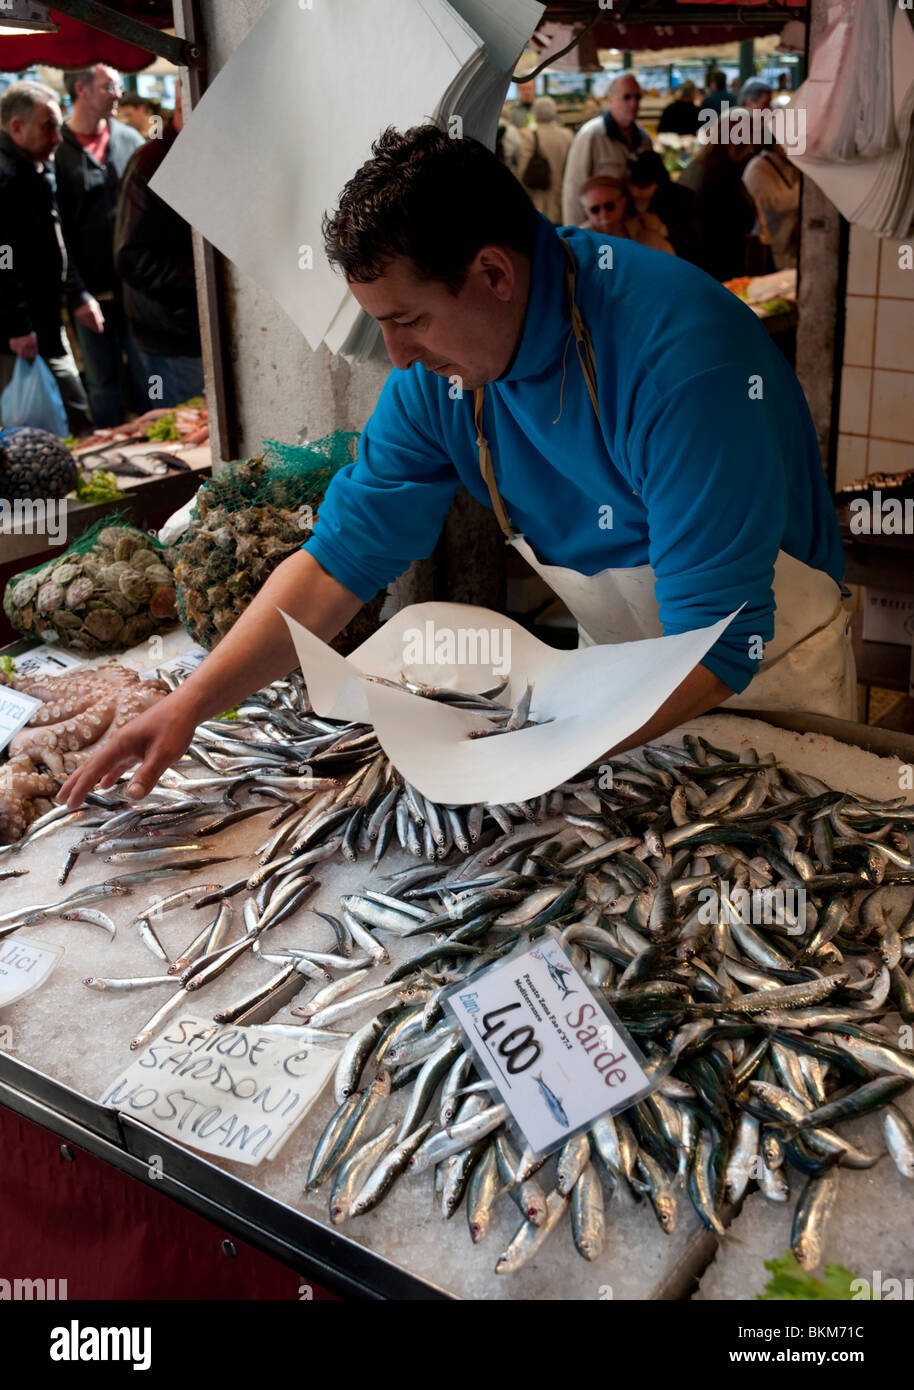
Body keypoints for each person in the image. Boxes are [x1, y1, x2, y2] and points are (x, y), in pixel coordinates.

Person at [57, 124, 853, 811]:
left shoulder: (680, 364)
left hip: (766, 677)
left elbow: (718, 645)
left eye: (408, 320)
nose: (396, 356)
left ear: (495, 274)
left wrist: (527, 761)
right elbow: (336, 562)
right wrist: (193, 703)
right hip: (618, 685)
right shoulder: (438, 381)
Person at [0, 81, 96, 435]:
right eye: (48, 127)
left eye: (58, 125)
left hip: (46, 321)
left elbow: (56, 241)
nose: (58, 137)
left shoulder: (38, 168)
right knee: (31, 431)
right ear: (16, 127)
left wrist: (77, 293)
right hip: (18, 334)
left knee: (74, 414)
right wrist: (16, 324)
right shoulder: (5, 176)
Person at [54, 64, 145, 427]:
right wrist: (76, 294)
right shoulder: (57, 150)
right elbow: (57, 233)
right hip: (89, 295)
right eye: (109, 86)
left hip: (138, 293)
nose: (118, 94)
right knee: (103, 385)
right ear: (82, 90)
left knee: (148, 380)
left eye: (120, 86)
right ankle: (117, 467)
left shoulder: (130, 141)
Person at [114, 87, 203, 407]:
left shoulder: (196, 152)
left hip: (187, 329)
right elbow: (132, 257)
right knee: (187, 440)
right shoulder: (152, 161)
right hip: (171, 334)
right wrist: (203, 280)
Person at [678, 108, 759, 281]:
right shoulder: (722, 172)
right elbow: (740, 218)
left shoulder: (702, 163)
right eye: (751, 142)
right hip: (716, 258)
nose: (751, 150)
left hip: (697, 257)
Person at [562, 73, 652, 225]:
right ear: (610, 100)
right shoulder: (591, 135)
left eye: (638, 97)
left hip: (631, 228)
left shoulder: (644, 139)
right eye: (626, 97)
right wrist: (574, 236)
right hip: (599, 229)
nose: (633, 104)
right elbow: (573, 189)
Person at [627, 150, 701, 265]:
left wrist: (663, 229)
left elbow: (696, 244)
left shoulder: (682, 199)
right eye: (632, 184)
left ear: (658, 183)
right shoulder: (625, 198)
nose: (635, 192)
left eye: (643, 186)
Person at [743, 130, 801, 270]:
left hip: (791, 247)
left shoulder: (792, 166)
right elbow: (776, 203)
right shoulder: (758, 167)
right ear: (775, 143)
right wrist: (806, 189)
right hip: (770, 247)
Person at [578, 174, 674, 255]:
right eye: (595, 209)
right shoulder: (578, 241)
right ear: (586, 212)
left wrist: (651, 235)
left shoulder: (647, 228)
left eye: (609, 206)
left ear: (623, 202)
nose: (604, 214)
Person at [517, 96, 573, 226]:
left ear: (535, 114)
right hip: (563, 201)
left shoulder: (530, 136)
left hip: (539, 202)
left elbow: (523, 170)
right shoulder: (568, 135)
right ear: (554, 114)